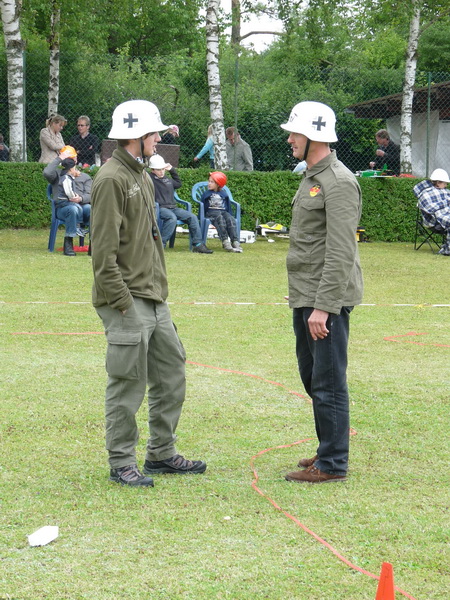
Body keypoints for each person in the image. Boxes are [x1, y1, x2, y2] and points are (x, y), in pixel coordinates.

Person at [90, 99, 207, 487]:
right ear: (136, 135)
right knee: (128, 382)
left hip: (153, 298)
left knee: (172, 373)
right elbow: (102, 254)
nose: (159, 139)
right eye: (154, 133)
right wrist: (123, 303)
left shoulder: (139, 173)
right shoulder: (111, 178)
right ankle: (121, 461)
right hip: (127, 299)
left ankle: (161, 453)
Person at [280, 101, 363, 484]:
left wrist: (324, 306)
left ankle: (332, 463)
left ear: (314, 136)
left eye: (295, 133)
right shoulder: (312, 176)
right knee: (313, 376)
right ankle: (327, 445)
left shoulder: (339, 182)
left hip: (325, 301)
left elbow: (341, 251)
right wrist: (303, 295)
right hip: (308, 294)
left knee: (328, 381)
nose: (290, 140)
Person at [148, 154, 212, 253]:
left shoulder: (168, 179)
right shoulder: (149, 179)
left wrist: (172, 170)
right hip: (159, 208)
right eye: (158, 169)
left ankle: (198, 245)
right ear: (152, 170)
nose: (161, 172)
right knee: (172, 218)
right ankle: (160, 245)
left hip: (173, 208)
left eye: (163, 169)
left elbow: (178, 184)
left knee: (192, 217)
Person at [43, 145, 91, 256]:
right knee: (72, 209)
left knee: (90, 209)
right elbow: (46, 172)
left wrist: (81, 198)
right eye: (66, 159)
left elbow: (91, 194)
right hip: (63, 208)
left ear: (76, 159)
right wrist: (60, 158)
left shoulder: (85, 177)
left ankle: (93, 244)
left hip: (82, 206)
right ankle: (68, 243)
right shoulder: (57, 174)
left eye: (71, 158)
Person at [200, 171, 242, 252]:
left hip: (223, 211)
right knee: (220, 219)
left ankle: (235, 241)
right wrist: (202, 216)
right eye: (209, 181)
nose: (209, 183)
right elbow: (202, 205)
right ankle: (225, 240)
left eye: (212, 182)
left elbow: (228, 206)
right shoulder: (206, 193)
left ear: (218, 184)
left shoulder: (223, 193)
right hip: (211, 212)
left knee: (230, 219)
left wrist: (229, 215)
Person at [413, 168, 450, 256]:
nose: (446, 185)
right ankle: (448, 249)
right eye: (445, 183)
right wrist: (447, 202)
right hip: (434, 222)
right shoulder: (425, 194)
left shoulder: (446, 192)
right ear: (438, 182)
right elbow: (431, 209)